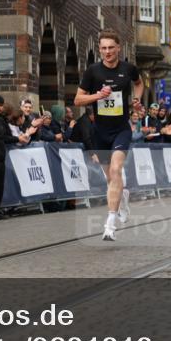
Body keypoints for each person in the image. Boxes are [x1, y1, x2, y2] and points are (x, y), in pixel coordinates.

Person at [74, 29, 143, 241]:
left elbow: (139, 83)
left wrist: (136, 100)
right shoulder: (92, 72)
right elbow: (77, 100)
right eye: (103, 48)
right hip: (100, 132)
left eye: (111, 48)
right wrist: (98, 95)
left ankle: (110, 224)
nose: (107, 52)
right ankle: (122, 196)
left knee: (116, 170)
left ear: (118, 48)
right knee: (110, 178)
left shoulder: (128, 69)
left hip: (121, 129)